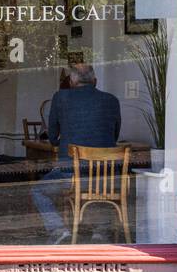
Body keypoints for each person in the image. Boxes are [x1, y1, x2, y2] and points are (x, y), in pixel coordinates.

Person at [31, 62, 122, 244]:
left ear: (72, 82)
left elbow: (53, 137)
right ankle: (100, 231)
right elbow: (114, 135)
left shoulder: (60, 98)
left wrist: (61, 140)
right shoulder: (112, 100)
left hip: (70, 175)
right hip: (107, 176)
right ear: (95, 81)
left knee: (37, 191)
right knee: (99, 186)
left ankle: (59, 230)